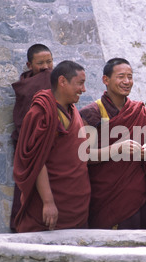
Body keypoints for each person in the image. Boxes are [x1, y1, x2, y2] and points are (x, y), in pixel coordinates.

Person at [79, 58, 146, 229]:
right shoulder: (91, 114)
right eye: (121, 76)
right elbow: (82, 156)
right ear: (105, 80)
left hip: (137, 197)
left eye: (130, 77)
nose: (127, 82)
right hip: (104, 197)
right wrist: (116, 149)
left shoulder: (141, 113)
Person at [13, 60, 90, 233]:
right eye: (80, 83)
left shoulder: (71, 109)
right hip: (51, 204)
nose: (83, 90)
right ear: (62, 81)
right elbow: (37, 161)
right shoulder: (42, 112)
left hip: (75, 204)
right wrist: (48, 202)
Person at [10, 44, 54, 231]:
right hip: (29, 146)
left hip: (52, 150)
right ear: (29, 65)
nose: (45, 67)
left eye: (49, 62)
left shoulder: (54, 80)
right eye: (40, 63)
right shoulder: (26, 86)